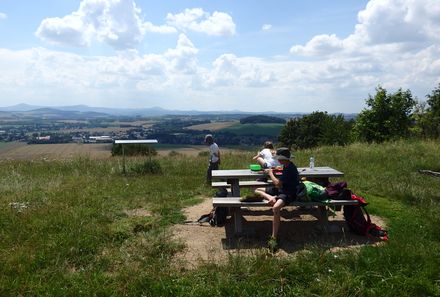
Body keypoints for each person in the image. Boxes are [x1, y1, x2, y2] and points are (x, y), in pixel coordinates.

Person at [254, 147, 299, 251]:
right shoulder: (287, 166)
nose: (277, 160)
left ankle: (274, 237)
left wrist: (270, 173)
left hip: (288, 193)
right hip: (282, 190)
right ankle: (271, 197)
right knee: (257, 190)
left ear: (282, 159)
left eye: (278, 158)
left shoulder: (290, 168)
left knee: (275, 208)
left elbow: (278, 184)